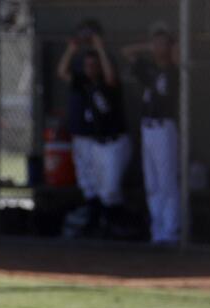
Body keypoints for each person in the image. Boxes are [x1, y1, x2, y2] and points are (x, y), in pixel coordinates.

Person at [57, 25, 130, 235]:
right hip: (96, 143)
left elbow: (110, 76)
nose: (90, 68)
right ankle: (100, 224)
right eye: (87, 65)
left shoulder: (109, 83)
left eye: (94, 65)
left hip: (114, 141)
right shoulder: (82, 82)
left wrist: (100, 48)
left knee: (110, 190)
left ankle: (115, 226)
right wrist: (72, 49)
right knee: (95, 188)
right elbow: (62, 72)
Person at [123, 22, 180, 245]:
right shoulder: (149, 69)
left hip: (165, 127)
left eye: (162, 42)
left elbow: (178, 55)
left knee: (167, 182)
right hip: (147, 128)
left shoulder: (174, 68)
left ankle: (172, 231)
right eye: (156, 42)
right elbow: (126, 52)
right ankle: (158, 232)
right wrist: (150, 47)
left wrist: (170, 45)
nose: (158, 46)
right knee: (152, 183)